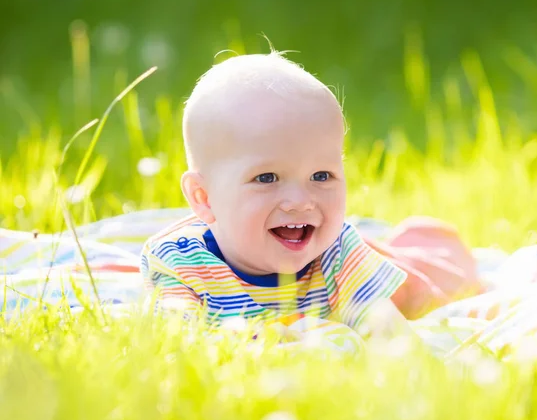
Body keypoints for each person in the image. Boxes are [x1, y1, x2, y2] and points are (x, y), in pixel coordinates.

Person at [140, 52, 431, 344]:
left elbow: (395, 344)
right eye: (267, 178)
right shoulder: (182, 264)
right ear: (204, 198)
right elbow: (174, 350)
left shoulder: (338, 254)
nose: (300, 201)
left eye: (321, 176)